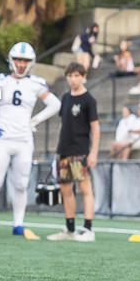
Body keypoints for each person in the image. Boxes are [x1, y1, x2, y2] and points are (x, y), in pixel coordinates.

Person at [0, 42, 61, 236]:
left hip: (24, 139)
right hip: (3, 138)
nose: (21, 64)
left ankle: (18, 223)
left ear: (31, 62)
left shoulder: (36, 84)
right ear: (11, 60)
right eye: (18, 59)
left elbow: (55, 104)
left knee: (21, 183)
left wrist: (36, 120)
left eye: (25, 60)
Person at [47, 62, 100, 242]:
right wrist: (58, 150)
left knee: (85, 188)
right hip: (64, 151)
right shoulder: (65, 98)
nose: (73, 79)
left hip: (80, 151)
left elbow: (96, 128)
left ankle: (88, 229)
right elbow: (64, 125)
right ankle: (70, 229)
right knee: (65, 189)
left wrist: (93, 153)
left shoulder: (88, 100)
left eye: (77, 75)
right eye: (70, 75)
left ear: (83, 76)